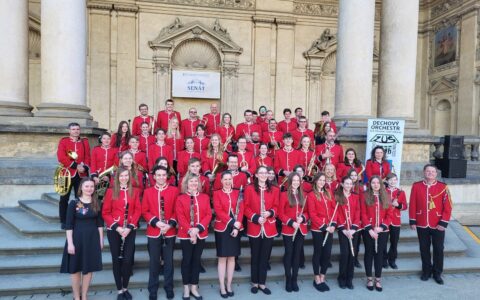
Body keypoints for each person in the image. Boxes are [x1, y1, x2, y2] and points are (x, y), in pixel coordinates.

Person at [60, 178, 103, 300]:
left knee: (88, 268)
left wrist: (101, 240)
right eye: (87, 186)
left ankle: (84, 296)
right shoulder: (74, 203)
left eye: (91, 186)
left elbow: (100, 224)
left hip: (92, 240)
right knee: (75, 269)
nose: (89, 189)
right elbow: (69, 225)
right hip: (76, 240)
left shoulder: (97, 202)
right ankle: (76, 296)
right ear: (81, 188)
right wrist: (70, 243)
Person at [102, 167, 142, 300]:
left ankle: (125, 287)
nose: (124, 178)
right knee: (116, 260)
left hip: (130, 230)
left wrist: (130, 227)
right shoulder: (110, 192)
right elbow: (105, 212)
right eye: (121, 176)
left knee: (127, 260)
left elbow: (137, 210)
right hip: (115, 230)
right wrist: (118, 228)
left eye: (126, 176)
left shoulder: (135, 191)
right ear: (117, 178)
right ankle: (119, 290)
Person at [409, 164, 452, 285]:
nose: (430, 173)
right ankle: (426, 271)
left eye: (433, 171)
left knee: (438, 249)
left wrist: (444, 222)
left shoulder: (443, 187)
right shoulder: (416, 186)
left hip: (438, 223)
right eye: (428, 171)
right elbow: (412, 203)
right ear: (424, 172)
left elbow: (448, 206)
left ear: (436, 173)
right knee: (424, 248)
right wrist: (413, 220)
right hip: (422, 222)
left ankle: (437, 272)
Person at [142, 166, 179, 300]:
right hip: (154, 231)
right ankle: (153, 289)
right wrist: (156, 222)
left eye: (164, 175)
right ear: (154, 176)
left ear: (167, 176)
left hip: (169, 231)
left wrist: (170, 225)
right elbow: (145, 211)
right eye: (159, 175)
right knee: (154, 262)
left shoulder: (174, 190)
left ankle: (169, 287)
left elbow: (177, 210)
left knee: (169, 262)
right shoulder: (148, 191)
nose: (161, 177)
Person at [176, 174, 212, 300]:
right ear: (186, 183)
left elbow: (208, 214)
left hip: (201, 233)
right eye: (191, 181)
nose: (193, 184)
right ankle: (186, 287)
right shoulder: (181, 198)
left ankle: (194, 287)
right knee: (187, 260)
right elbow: (180, 217)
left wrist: (198, 228)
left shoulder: (205, 197)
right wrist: (191, 231)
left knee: (196, 260)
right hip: (185, 234)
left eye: (195, 181)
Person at [244, 166, 279, 295]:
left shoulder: (275, 189)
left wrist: (269, 213)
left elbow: (277, 207)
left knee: (265, 258)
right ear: (256, 175)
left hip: (269, 227)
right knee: (255, 256)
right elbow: (246, 207)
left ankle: (262, 283)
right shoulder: (249, 189)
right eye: (261, 173)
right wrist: (256, 218)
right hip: (255, 226)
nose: (264, 175)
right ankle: (254, 282)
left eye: (266, 173)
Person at [213, 171, 244, 298]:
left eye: (229, 179)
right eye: (225, 179)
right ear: (221, 181)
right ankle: (222, 286)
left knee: (232, 258)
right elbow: (218, 211)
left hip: (236, 228)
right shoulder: (216, 193)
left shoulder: (238, 192)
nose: (227, 181)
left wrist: (238, 225)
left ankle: (229, 284)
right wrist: (233, 222)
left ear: (232, 180)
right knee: (222, 258)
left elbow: (241, 209)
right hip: (222, 228)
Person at [361, 176, 393, 292]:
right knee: (369, 253)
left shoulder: (386, 196)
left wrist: (381, 227)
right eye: (373, 182)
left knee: (379, 254)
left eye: (377, 182)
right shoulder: (365, 196)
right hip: (368, 230)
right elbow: (363, 214)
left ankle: (378, 279)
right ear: (370, 184)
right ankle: (369, 278)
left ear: (381, 184)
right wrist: (369, 229)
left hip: (382, 231)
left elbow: (390, 215)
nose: (375, 185)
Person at [278, 172, 308, 292]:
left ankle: (294, 279)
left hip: (300, 229)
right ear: (290, 181)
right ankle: (288, 278)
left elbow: (307, 212)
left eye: (298, 180)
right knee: (289, 253)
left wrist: (303, 218)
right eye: (294, 180)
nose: (296, 182)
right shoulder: (284, 195)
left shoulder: (303, 195)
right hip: (288, 229)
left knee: (296, 255)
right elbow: (281, 214)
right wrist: (291, 222)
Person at [57, 122, 91, 230]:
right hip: (66, 174)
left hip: (81, 175)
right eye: (73, 129)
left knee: (80, 198)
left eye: (77, 129)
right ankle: (64, 220)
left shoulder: (84, 142)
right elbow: (61, 157)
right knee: (64, 198)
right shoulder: (64, 141)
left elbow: (87, 156)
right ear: (69, 131)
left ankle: (79, 218)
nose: (75, 131)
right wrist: (76, 166)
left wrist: (85, 167)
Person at [307, 172, 336, 292]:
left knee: (327, 253)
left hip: (330, 227)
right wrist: (324, 227)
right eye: (320, 180)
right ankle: (316, 277)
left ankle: (323, 276)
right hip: (318, 228)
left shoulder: (328, 193)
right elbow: (312, 214)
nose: (322, 182)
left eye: (324, 180)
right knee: (318, 252)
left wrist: (333, 224)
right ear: (315, 181)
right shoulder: (311, 195)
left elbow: (334, 209)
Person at [335, 176, 361, 289]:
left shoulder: (355, 196)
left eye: (351, 184)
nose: (349, 185)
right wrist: (344, 229)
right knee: (345, 254)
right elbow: (337, 214)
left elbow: (357, 212)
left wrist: (354, 228)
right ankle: (342, 277)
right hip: (344, 230)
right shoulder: (337, 196)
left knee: (352, 255)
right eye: (346, 183)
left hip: (354, 230)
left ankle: (350, 279)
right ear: (342, 184)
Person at [384, 173, 408, 269]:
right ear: (386, 181)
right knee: (383, 242)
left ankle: (392, 260)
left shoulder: (400, 192)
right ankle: (383, 260)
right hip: (385, 219)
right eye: (390, 180)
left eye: (394, 180)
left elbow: (405, 206)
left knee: (394, 242)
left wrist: (398, 205)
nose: (392, 182)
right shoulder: (383, 191)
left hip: (395, 220)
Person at [348, 168, 365, 268]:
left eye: (355, 175)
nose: (354, 177)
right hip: (348, 216)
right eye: (352, 175)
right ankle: (349, 258)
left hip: (359, 217)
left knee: (357, 241)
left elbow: (363, 203)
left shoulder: (362, 188)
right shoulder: (346, 187)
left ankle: (355, 259)